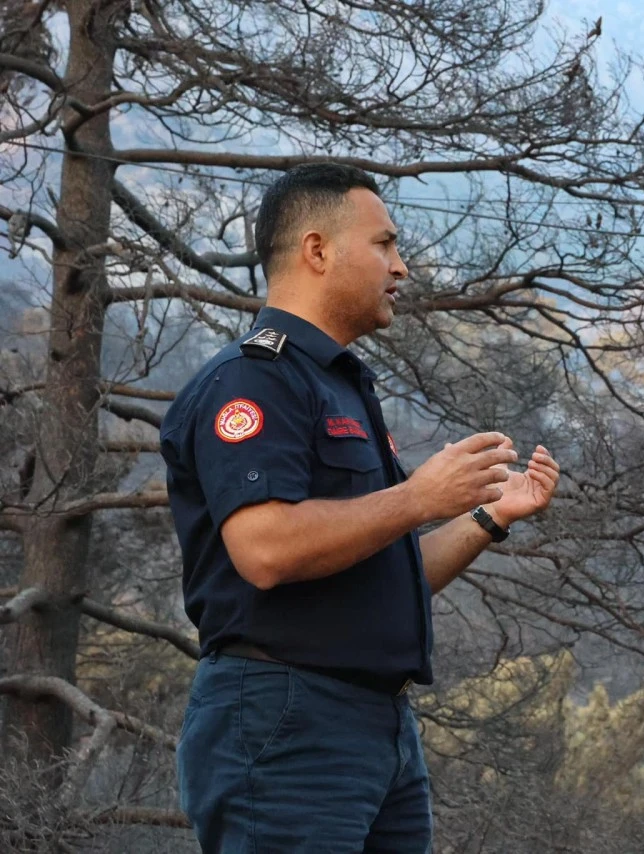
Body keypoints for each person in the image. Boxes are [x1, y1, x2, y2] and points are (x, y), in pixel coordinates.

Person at [159, 162, 561, 852]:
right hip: (287, 720)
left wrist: (488, 517)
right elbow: (267, 549)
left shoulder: (339, 385)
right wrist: (416, 497)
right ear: (317, 250)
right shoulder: (254, 379)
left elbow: (388, 574)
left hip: (376, 727)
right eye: (384, 245)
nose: (400, 267)